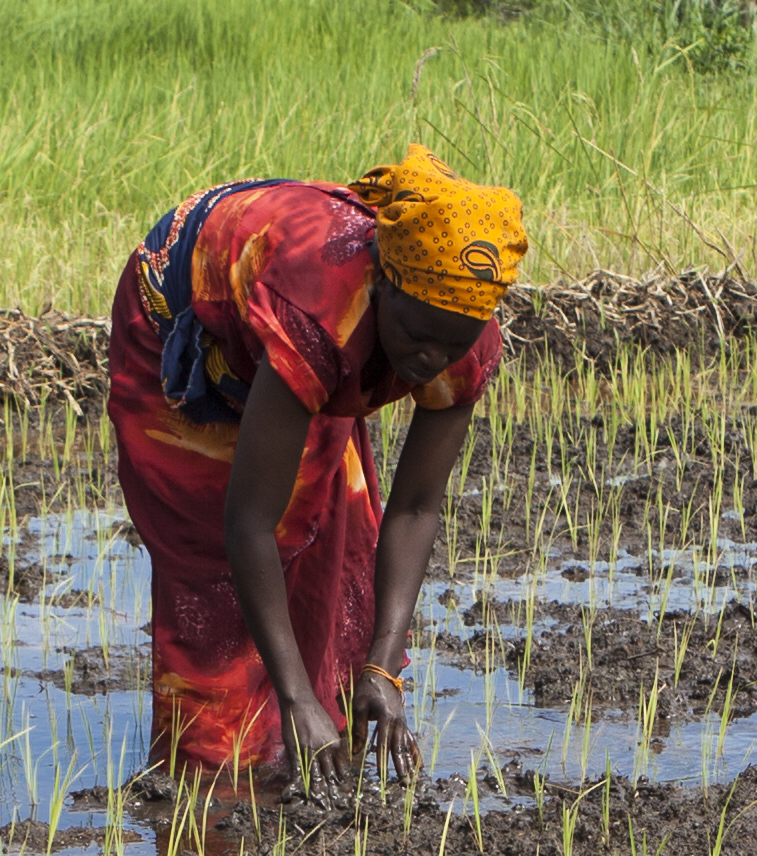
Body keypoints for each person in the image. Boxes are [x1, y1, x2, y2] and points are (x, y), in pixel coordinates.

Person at [105, 147, 524, 776]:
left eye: (451, 345)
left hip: (314, 340)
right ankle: (216, 782)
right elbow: (247, 522)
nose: (430, 361)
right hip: (180, 318)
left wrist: (384, 664)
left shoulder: (460, 338)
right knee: (217, 573)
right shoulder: (320, 317)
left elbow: (414, 507)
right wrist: (295, 697)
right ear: (384, 283)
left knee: (327, 528)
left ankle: (326, 726)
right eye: (415, 338)